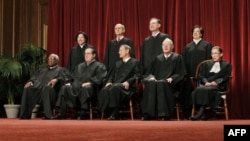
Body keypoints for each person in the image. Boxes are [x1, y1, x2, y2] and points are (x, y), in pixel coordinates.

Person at [54, 47, 107, 119]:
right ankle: (61, 112)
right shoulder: (80, 66)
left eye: (88, 53)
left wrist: (90, 82)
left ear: (94, 55)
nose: (86, 55)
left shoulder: (100, 66)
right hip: (76, 86)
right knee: (65, 88)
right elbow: (72, 77)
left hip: (90, 89)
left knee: (85, 88)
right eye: (85, 54)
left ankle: (83, 112)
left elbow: (100, 78)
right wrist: (70, 82)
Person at [141, 38, 186, 120]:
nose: (165, 46)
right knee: (151, 83)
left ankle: (164, 114)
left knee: (161, 83)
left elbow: (181, 73)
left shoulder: (177, 57)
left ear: (172, 46)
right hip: (157, 83)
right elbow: (150, 72)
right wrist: (152, 77)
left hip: (171, 85)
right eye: (163, 45)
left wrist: (172, 78)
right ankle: (148, 114)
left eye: (167, 45)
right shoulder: (157, 58)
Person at [98, 44, 140, 120]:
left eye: (121, 50)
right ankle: (106, 111)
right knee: (105, 89)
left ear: (127, 51)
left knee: (115, 88)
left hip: (128, 87)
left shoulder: (135, 62)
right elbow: (112, 76)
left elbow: (138, 75)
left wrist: (128, 82)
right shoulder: (117, 63)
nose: (119, 52)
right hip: (116, 85)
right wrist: (109, 81)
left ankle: (115, 112)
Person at [189, 46, 232, 120]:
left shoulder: (227, 65)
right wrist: (206, 82)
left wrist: (215, 82)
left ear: (221, 54)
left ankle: (201, 113)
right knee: (200, 89)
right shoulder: (206, 64)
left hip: (218, 86)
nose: (214, 55)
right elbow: (201, 75)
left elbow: (225, 77)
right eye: (212, 54)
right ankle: (206, 113)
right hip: (206, 85)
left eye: (216, 53)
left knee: (207, 90)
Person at [20, 54, 67, 119]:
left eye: (52, 59)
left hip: (52, 91)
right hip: (39, 89)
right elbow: (35, 77)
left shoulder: (61, 69)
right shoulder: (43, 70)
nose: (50, 60)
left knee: (47, 88)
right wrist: (31, 81)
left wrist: (57, 79)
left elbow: (65, 78)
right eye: (49, 59)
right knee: (27, 89)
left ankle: (48, 115)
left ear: (57, 61)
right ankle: (24, 115)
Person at [182, 25, 213, 118]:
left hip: (202, 75)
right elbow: (183, 61)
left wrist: (206, 73)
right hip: (190, 74)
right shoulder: (187, 46)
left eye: (197, 31)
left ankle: (203, 113)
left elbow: (209, 61)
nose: (195, 33)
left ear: (201, 34)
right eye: (194, 31)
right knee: (189, 92)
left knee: (202, 92)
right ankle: (189, 114)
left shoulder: (207, 45)